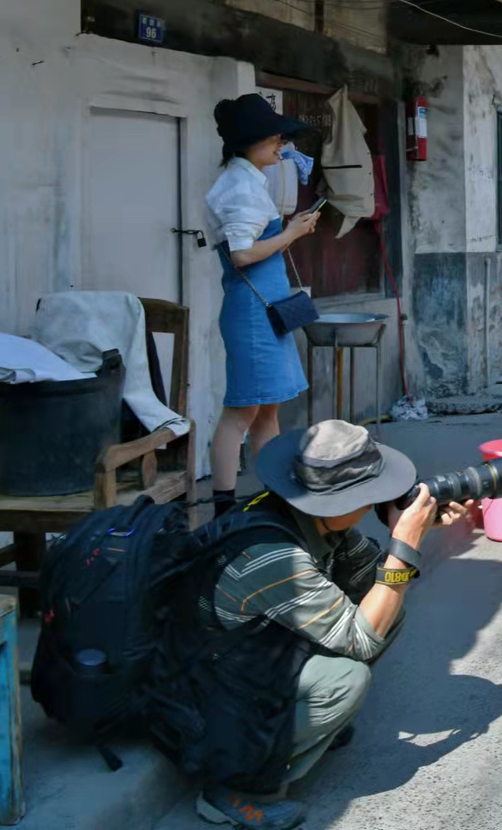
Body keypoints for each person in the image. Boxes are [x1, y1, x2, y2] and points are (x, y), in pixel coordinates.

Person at [155, 420, 470, 830]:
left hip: (247, 654)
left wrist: (404, 534)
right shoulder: (274, 556)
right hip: (204, 691)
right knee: (347, 680)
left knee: (387, 612)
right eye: (368, 496)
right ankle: (234, 787)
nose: (375, 502)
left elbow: (372, 582)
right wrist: (406, 545)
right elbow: (364, 638)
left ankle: (305, 726)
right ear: (334, 503)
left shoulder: (306, 517)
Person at [206, 94, 323, 518]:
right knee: (240, 413)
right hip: (254, 315)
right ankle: (223, 508)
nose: (280, 144)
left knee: (266, 410)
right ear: (250, 142)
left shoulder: (248, 181)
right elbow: (241, 254)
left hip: (264, 310)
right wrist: (292, 233)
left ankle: (275, 495)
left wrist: (291, 230)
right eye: (274, 138)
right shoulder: (239, 188)